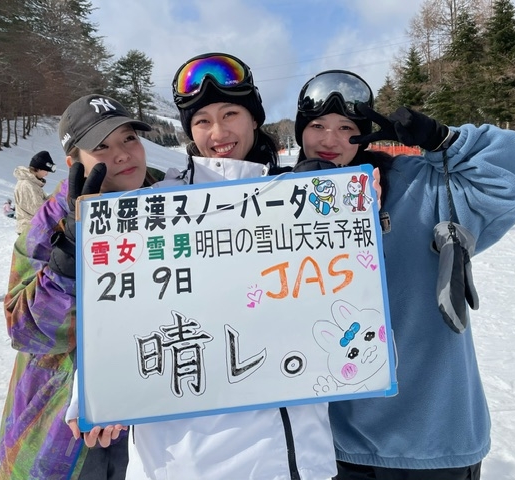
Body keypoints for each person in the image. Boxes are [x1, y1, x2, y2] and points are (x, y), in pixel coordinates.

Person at [65, 52, 338, 480]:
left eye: (231, 113)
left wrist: (354, 203)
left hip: (299, 452)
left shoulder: (302, 195)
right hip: (190, 455)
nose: (218, 132)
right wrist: (96, 392)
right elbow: (118, 299)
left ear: (254, 119)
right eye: (202, 121)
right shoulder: (157, 205)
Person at [292, 70, 515, 480]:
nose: (330, 140)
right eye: (317, 126)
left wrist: (442, 140)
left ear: (365, 136)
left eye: (346, 128)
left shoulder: (416, 185)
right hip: (337, 445)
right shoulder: (280, 204)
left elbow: (505, 183)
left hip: (433, 442)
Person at [0, 94, 158, 480]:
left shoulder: (164, 206)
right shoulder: (53, 219)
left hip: (149, 417)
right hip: (62, 435)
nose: (121, 154)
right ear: (73, 163)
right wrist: (67, 252)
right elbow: (27, 330)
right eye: (100, 147)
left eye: (128, 138)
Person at [13, 150, 56, 234]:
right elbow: (39, 210)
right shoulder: (27, 185)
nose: (47, 174)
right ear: (38, 169)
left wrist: (56, 196)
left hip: (33, 229)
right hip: (30, 231)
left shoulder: (32, 184)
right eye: (46, 171)